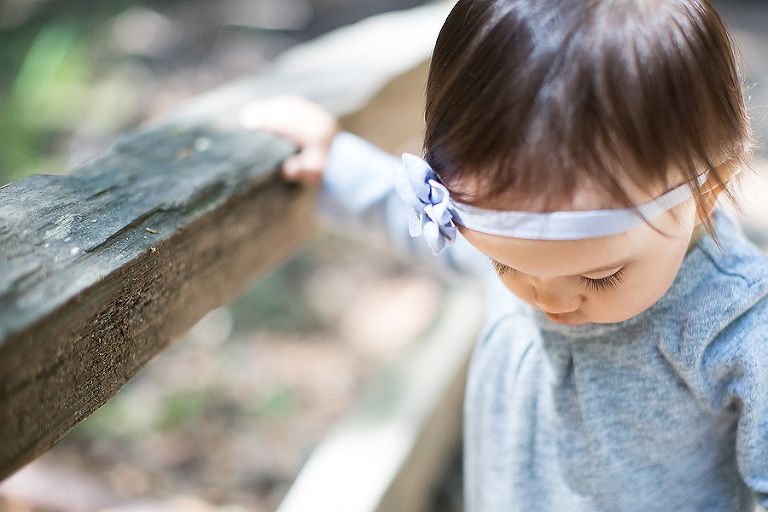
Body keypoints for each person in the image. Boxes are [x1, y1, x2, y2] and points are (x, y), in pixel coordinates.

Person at [241, 0, 768, 510]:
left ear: (707, 190)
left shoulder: (736, 327)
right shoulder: (538, 256)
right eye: (503, 265)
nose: (547, 298)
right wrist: (337, 165)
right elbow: (407, 216)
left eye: (601, 277)